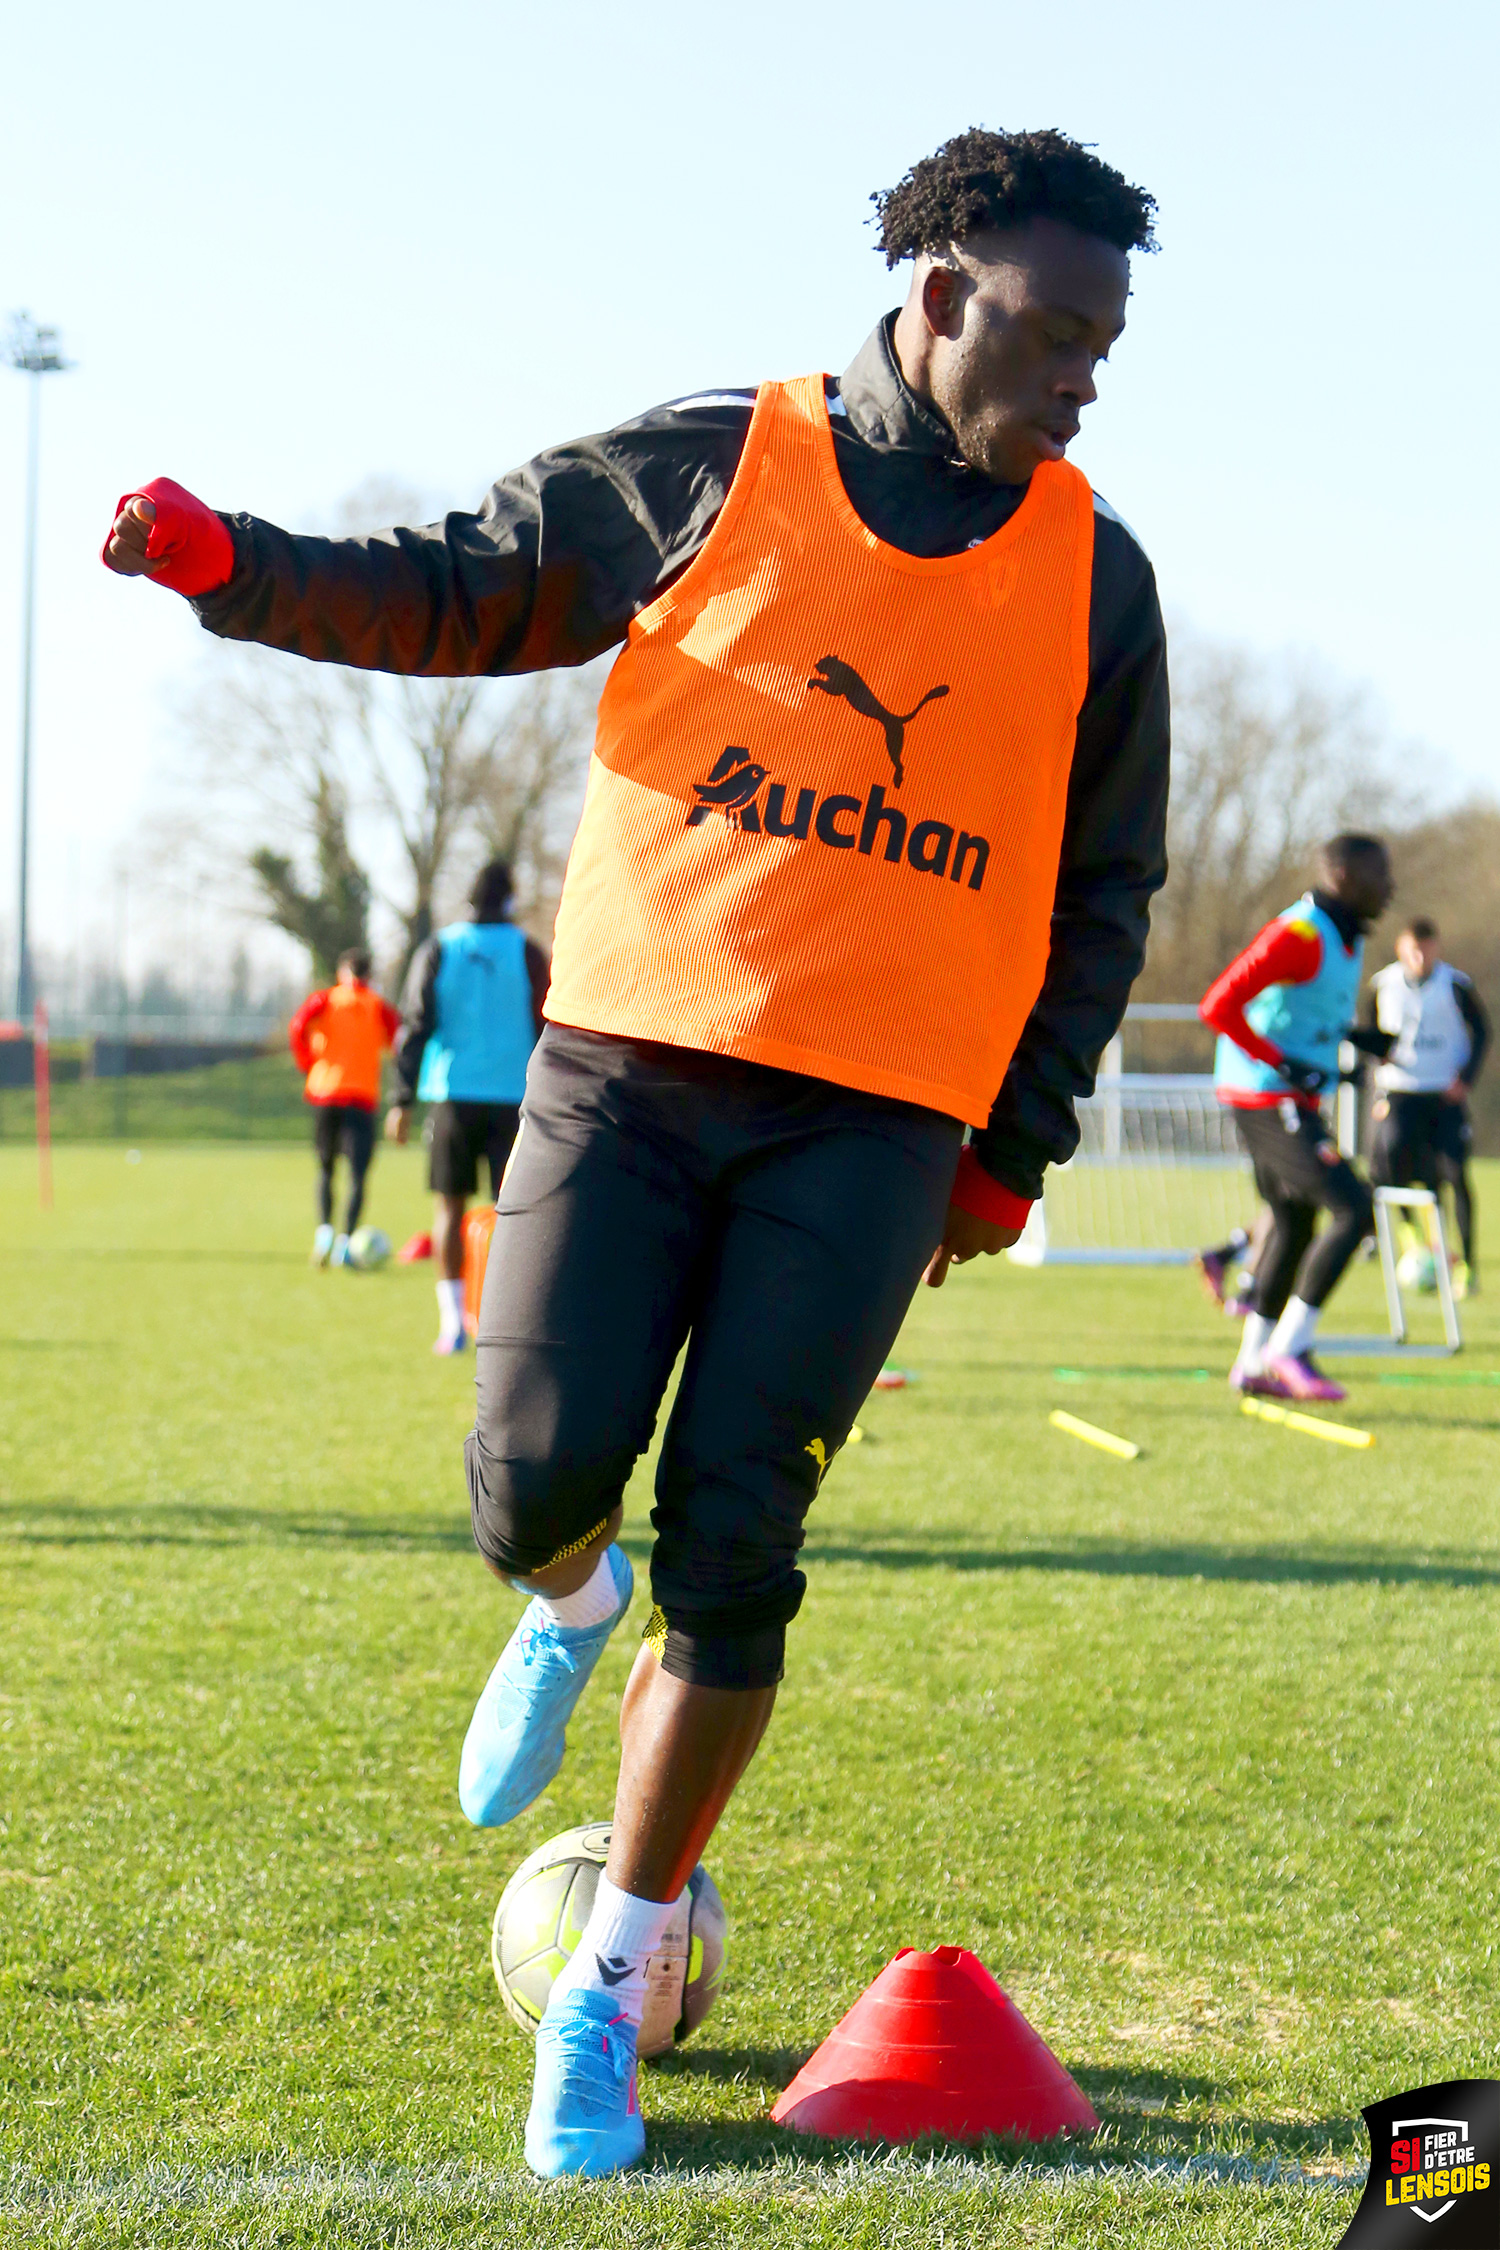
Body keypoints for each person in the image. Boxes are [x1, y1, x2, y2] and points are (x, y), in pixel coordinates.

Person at [102, 126, 1169, 2179]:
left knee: (742, 1539)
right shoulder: (719, 460)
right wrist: (239, 566)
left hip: (874, 1133)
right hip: (631, 1070)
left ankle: (614, 1978)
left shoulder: (1099, 576)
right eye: (1055, 333)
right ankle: (562, 1604)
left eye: (1110, 346)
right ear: (942, 296)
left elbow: (1098, 886)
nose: (1084, 380)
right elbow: (464, 590)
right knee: (523, 1487)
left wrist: (1010, 1156)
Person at [1201, 836, 1394, 1402]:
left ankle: (1252, 1364)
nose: (1391, 886)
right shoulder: (1300, 934)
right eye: (1381, 873)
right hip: (1264, 1095)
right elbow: (1219, 1004)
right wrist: (1284, 1064)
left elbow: (1299, 1011)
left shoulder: (1342, 936)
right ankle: (1287, 1349)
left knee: (1292, 1222)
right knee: (1353, 1208)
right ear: (1343, 876)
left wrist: (1358, 1039)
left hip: (1285, 1096)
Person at [386, 859, 550, 1352]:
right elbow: (549, 1025)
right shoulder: (527, 951)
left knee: (448, 1209)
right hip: (517, 1101)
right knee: (515, 1214)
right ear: (510, 898)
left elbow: (415, 1023)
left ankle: (453, 1324)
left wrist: (400, 1098)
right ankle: (509, 1324)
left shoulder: (441, 947)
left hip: (452, 1095)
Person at [1365, 917, 1489, 1296]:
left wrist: (1465, 1077)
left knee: (1454, 1174)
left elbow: (1483, 1030)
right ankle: (1411, 1237)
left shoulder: (1454, 985)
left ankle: (1466, 1265)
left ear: (1436, 947)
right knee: (1388, 1158)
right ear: (1401, 948)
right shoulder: (1382, 985)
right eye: (1412, 949)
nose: (1419, 956)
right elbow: (1366, 1032)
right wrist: (1377, 1064)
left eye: (1426, 948)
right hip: (1401, 1092)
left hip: (1443, 1094)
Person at [287, 948, 401, 1265]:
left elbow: (297, 1026)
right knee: (358, 1174)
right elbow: (400, 1041)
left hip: (326, 1093)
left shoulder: (325, 999)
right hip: (362, 1097)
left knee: (325, 1167)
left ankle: (323, 1231)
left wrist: (308, 1062)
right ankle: (345, 1241)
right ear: (370, 976)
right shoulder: (379, 1006)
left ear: (342, 973)